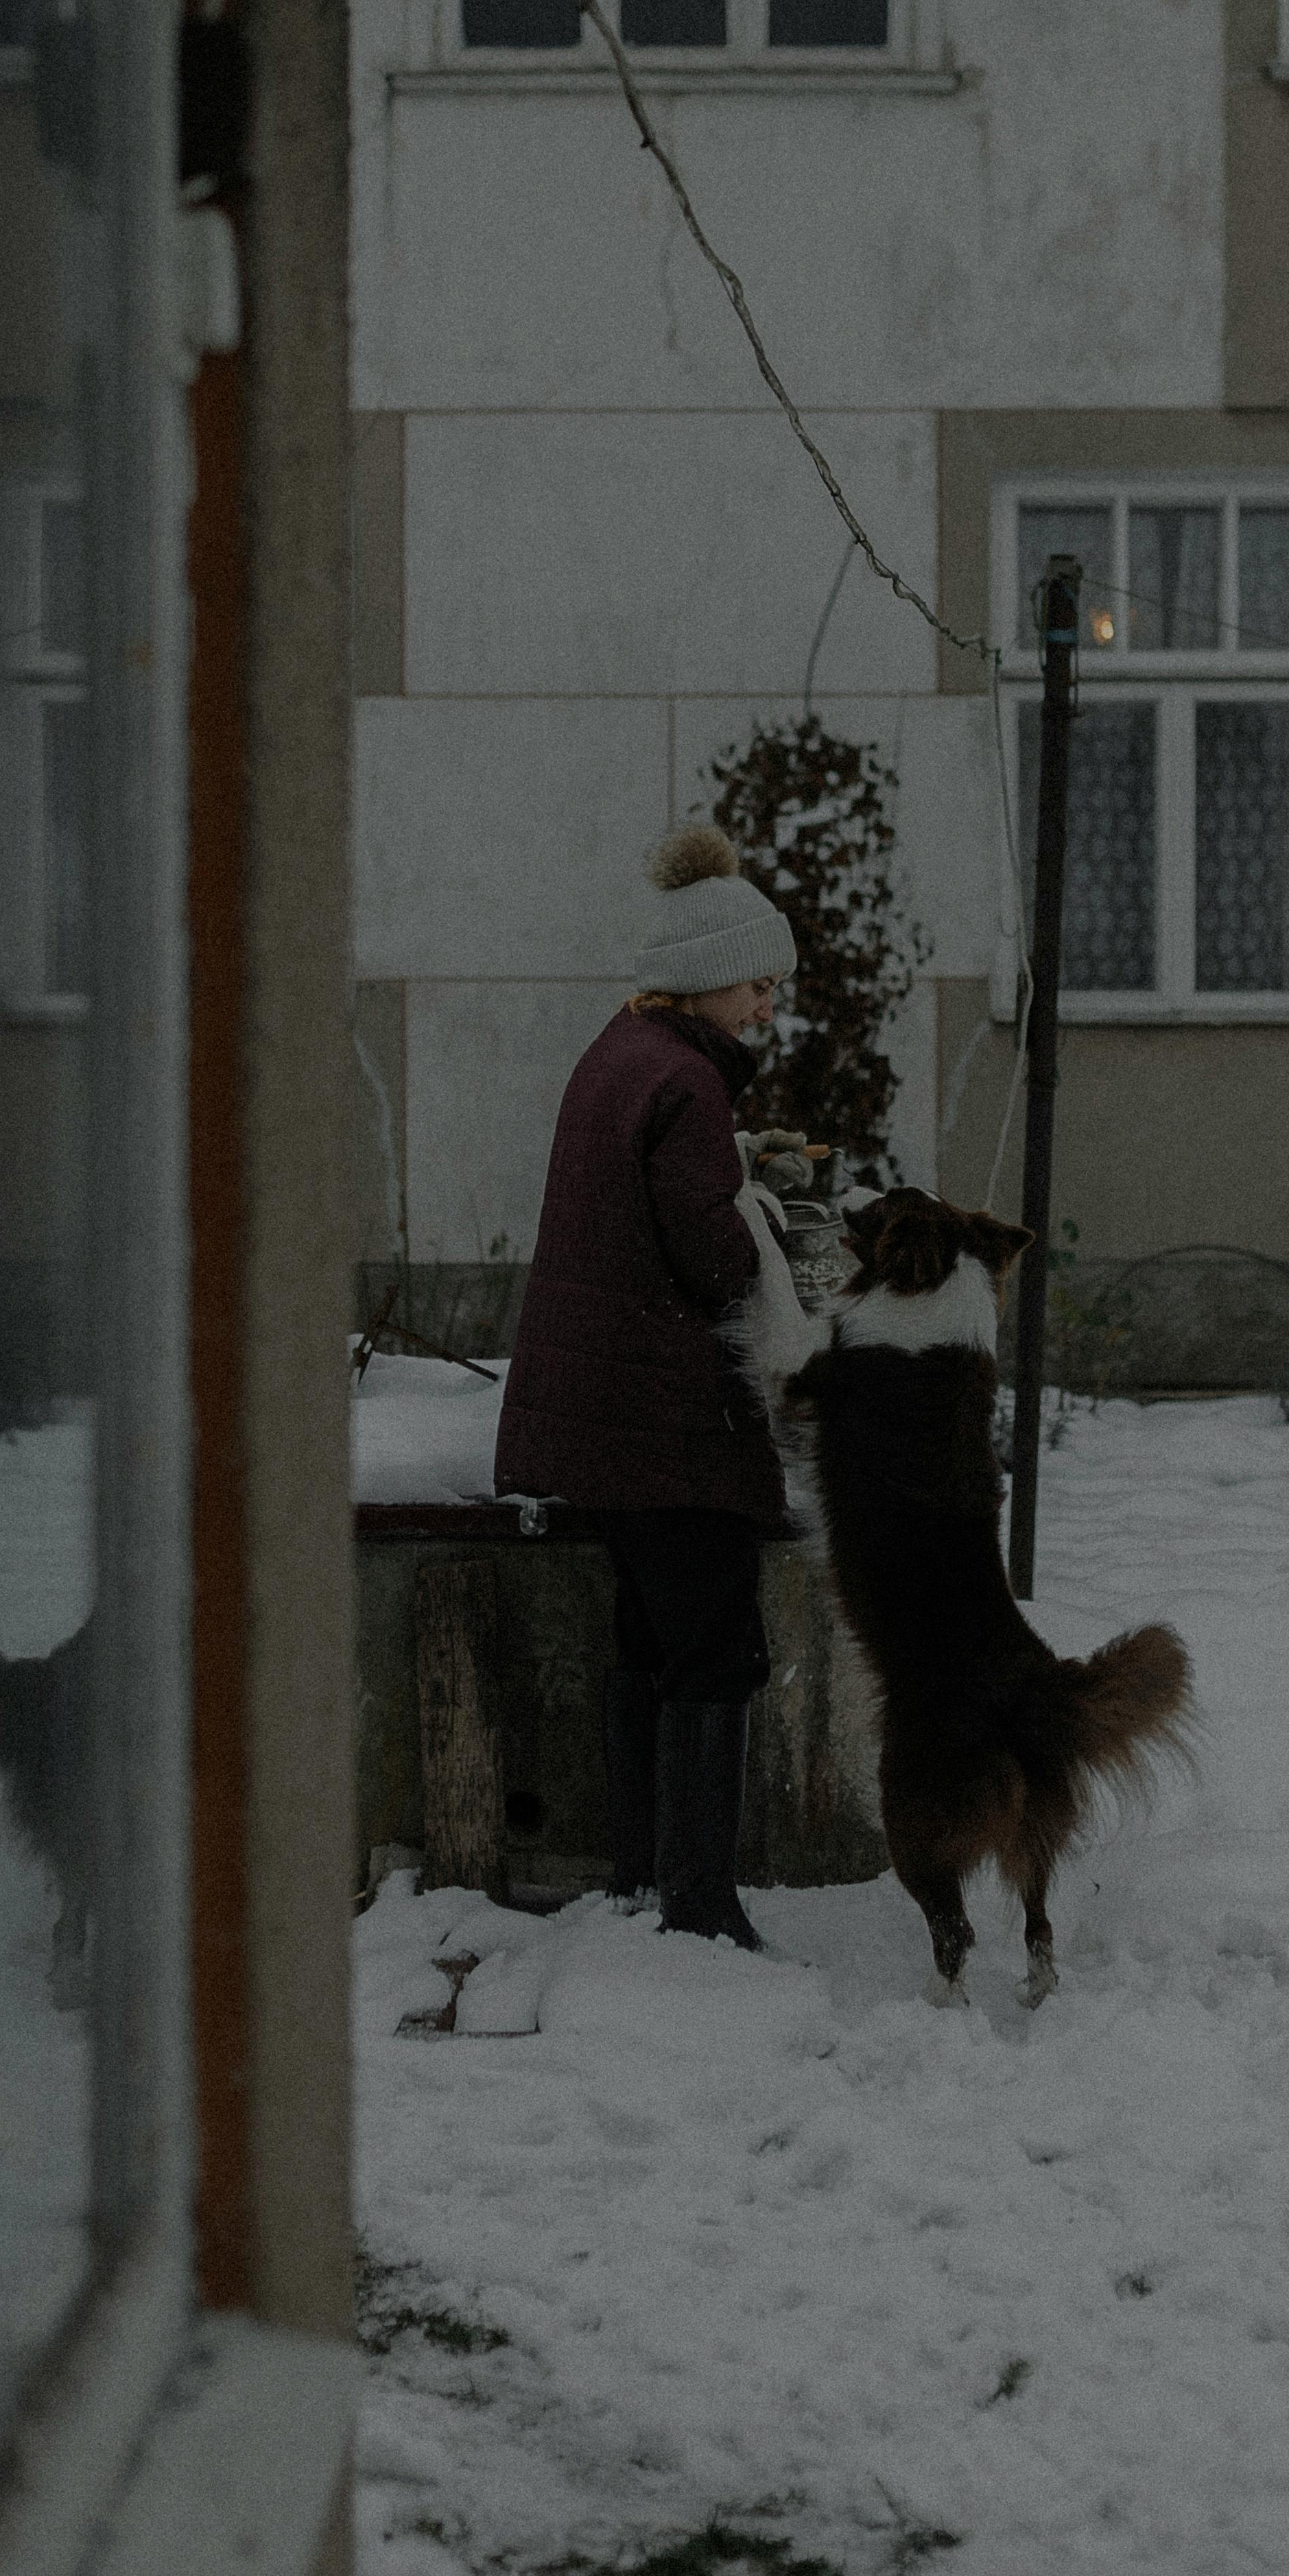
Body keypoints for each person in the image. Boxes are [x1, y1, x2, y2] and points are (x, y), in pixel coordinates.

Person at [495, 823, 801, 1948]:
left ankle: (638, 1878)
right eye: (760, 986)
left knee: (647, 1638)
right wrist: (758, 1212)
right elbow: (711, 1258)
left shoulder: (618, 1053)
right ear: (710, 975)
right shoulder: (683, 1081)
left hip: (602, 1421)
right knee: (716, 1649)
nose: (766, 1007)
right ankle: (699, 1906)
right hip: (666, 1423)